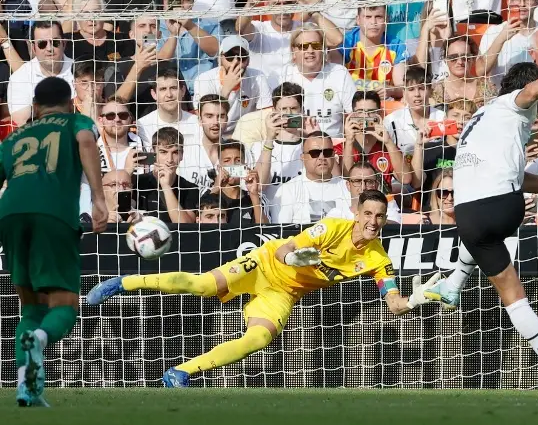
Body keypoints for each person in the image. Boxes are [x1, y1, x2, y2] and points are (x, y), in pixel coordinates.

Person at [86, 190, 441, 388]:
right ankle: (122, 282)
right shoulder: (333, 227)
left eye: (380, 216)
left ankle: (180, 373)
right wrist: (292, 259)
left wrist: (416, 298)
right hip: (265, 264)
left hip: (283, 294)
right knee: (202, 285)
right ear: (356, 212)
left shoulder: (378, 259)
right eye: (368, 214)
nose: (373, 222)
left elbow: (393, 305)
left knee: (259, 339)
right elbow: (287, 247)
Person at [424, 53, 538, 392]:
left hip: (469, 216)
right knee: (513, 292)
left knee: (508, 289)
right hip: (504, 208)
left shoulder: (480, 120)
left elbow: (516, 176)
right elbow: (532, 90)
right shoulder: (513, 103)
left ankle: (453, 285)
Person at [0, 77, 107, 406]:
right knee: (65, 304)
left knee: (30, 306)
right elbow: (86, 140)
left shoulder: (15, 137)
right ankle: (42, 339)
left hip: (10, 214)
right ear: (70, 101)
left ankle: (26, 387)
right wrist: (99, 199)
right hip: (53, 214)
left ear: (35, 107)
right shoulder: (77, 121)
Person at [192, 35, 272, 134]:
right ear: (221, 58)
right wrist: (226, 89)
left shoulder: (257, 77)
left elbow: (266, 115)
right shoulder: (204, 79)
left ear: (248, 61)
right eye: (230, 56)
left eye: (241, 57)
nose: (236, 62)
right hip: (213, 133)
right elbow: (205, 120)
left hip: (245, 133)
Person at [326, 161, 401, 223]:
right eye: (357, 181)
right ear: (348, 185)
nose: (363, 187)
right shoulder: (337, 215)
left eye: (369, 182)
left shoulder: (388, 211)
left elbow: (396, 228)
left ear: (376, 185)